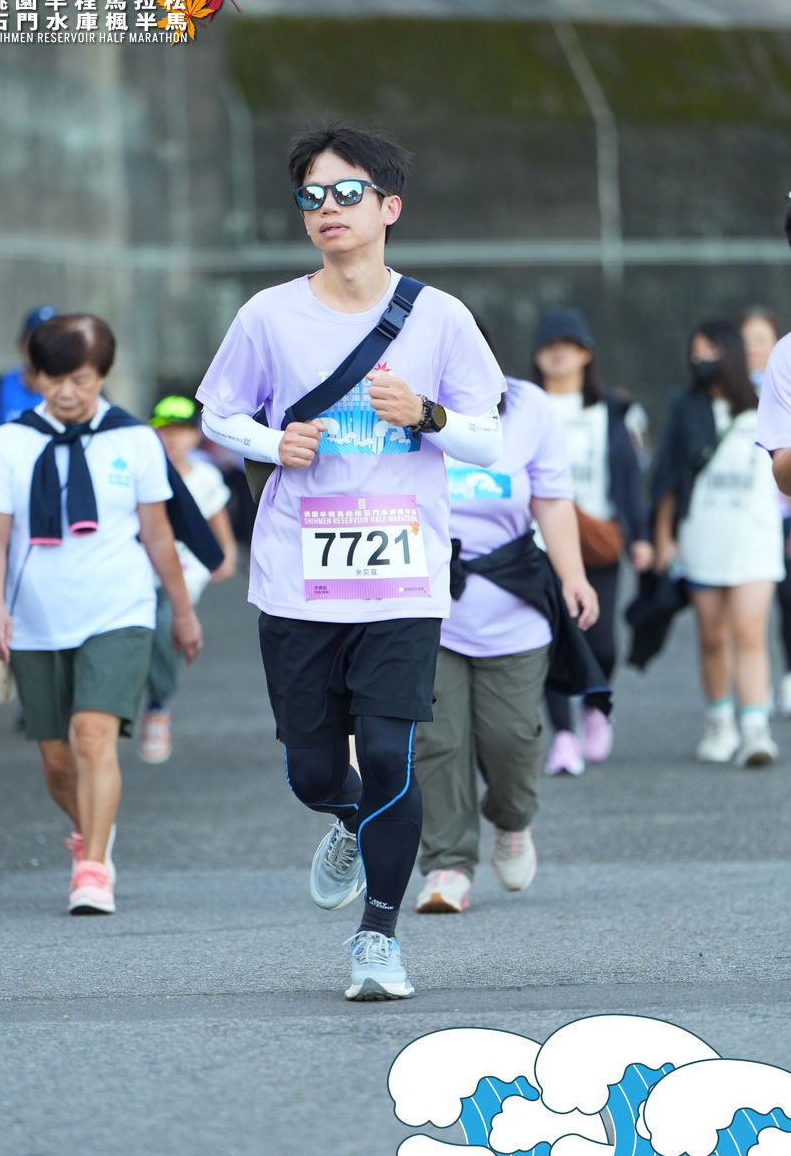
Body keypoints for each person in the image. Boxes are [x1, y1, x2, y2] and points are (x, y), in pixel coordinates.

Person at [196, 123, 504, 1000]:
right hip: (298, 576)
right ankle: (345, 819)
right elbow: (217, 410)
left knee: (389, 752)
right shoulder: (267, 316)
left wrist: (427, 414)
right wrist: (271, 441)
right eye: (311, 196)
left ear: (388, 207)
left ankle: (377, 939)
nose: (327, 208)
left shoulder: (440, 317)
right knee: (312, 769)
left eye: (345, 192)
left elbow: (490, 439)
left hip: (402, 577)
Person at [0, 315, 204, 914]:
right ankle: (93, 826)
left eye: (80, 379)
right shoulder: (10, 442)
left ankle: (93, 867)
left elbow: (158, 534)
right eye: (54, 379)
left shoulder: (134, 440)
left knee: (93, 735)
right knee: (56, 760)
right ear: (36, 376)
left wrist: (181, 611)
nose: (66, 392)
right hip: (35, 617)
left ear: (102, 375)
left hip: (118, 610)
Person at [414, 376, 600, 913]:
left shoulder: (527, 406)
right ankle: (448, 864)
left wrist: (573, 576)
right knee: (437, 740)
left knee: (512, 738)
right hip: (426, 604)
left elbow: (553, 500)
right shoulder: (403, 401)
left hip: (513, 604)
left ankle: (513, 822)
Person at [654, 318, 782, 766]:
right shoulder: (684, 405)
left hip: (756, 536)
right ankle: (719, 721)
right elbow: (668, 475)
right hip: (703, 534)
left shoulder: (768, 400)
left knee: (749, 631)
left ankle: (755, 729)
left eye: (709, 350)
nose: (700, 359)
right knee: (712, 636)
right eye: (695, 352)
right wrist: (663, 536)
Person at [530, 307, 653, 776]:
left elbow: (627, 479)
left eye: (569, 344)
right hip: (536, 541)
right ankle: (562, 737)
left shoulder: (611, 411)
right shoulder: (523, 405)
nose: (558, 353)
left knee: (602, 643)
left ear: (587, 354)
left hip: (596, 540)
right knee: (549, 637)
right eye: (549, 345)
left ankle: (595, 705)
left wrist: (640, 536)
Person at [139, 395, 238, 763]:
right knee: (137, 634)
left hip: (185, 572)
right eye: (164, 430)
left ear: (195, 436)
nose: (172, 438)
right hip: (141, 571)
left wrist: (226, 554)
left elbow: (216, 516)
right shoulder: (140, 471)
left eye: (180, 431)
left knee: (166, 627)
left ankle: (157, 707)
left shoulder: (206, 476)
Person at [739, 306, 791, 716]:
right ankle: (756, 697)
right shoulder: (725, 393)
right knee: (748, 616)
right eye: (746, 341)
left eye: (761, 339)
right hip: (748, 520)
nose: (753, 348)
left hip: (783, 518)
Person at [0, 305, 57, 470]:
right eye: (34, 340)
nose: (42, 348)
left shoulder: (76, 392)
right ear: (21, 345)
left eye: (51, 340)